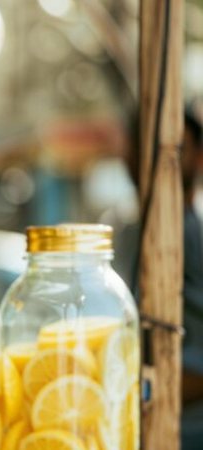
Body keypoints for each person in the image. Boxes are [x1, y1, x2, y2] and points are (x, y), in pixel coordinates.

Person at [113, 104, 203, 449]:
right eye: (138, 143)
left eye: (175, 146)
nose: (147, 155)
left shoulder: (192, 236)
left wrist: (145, 389)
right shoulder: (127, 232)